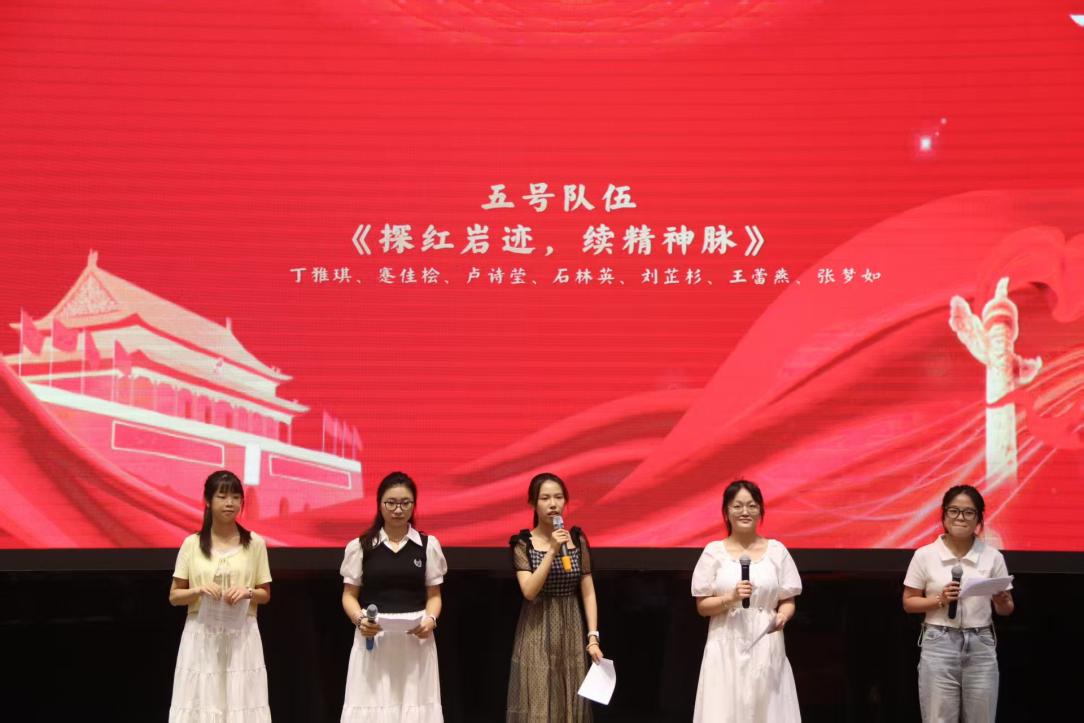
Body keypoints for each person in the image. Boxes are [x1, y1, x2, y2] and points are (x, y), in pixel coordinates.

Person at [690, 479, 802, 722]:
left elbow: (788, 599)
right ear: (726, 511)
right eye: (737, 506)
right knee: (726, 708)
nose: (745, 512)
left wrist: (783, 616)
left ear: (761, 511)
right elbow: (702, 606)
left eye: (752, 506)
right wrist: (729, 598)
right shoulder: (713, 552)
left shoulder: (777, 551)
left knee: (766, 707)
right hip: (725, 643)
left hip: (766, 642)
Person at [340, 471, 447, 722]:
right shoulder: (361, 546)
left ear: (414, 505)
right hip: (374, 636)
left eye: (405, 503)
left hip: (416, 638)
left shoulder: (428, 545)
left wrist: (431, 619)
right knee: (371, 704)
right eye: (391, 503)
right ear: (379, 504)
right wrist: (360, 620)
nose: (398, 510)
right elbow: (349, 595)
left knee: (415, 705)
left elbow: (434, 595)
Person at [903, 484, 1014, 722]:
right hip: (939, 642)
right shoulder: (925, 555)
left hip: (980, 643)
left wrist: (1002, 600)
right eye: (953, 511)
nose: (960, 517)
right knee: (939, 718)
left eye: (968, 512)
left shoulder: (993, 557)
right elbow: (909, 602)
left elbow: (1006, 609)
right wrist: (940, 600)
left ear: (979, 519)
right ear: (944, 515)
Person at [168, 469, 273, 722]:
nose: (230, 503)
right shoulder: (192, 544)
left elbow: (265, 594)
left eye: (236, 497)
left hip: (242, 634)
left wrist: (248, 592)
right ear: (208, 500)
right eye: (222, 496)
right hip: (201, 633)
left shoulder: (255, 543)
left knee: (242, 701)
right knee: (201, 701)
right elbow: (174, 596)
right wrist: (198, 590)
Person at [507, 472, 604, 723]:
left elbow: (588, 590)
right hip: (537, 630)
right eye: (545, 498)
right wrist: (552, 549)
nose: (553, 504)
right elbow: (529, 591)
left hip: (570, 628)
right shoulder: (523, 543)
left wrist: (593, 636)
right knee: (539, 700)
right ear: (533, 503)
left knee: (569, 702)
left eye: (559, 497)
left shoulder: (577, 540)